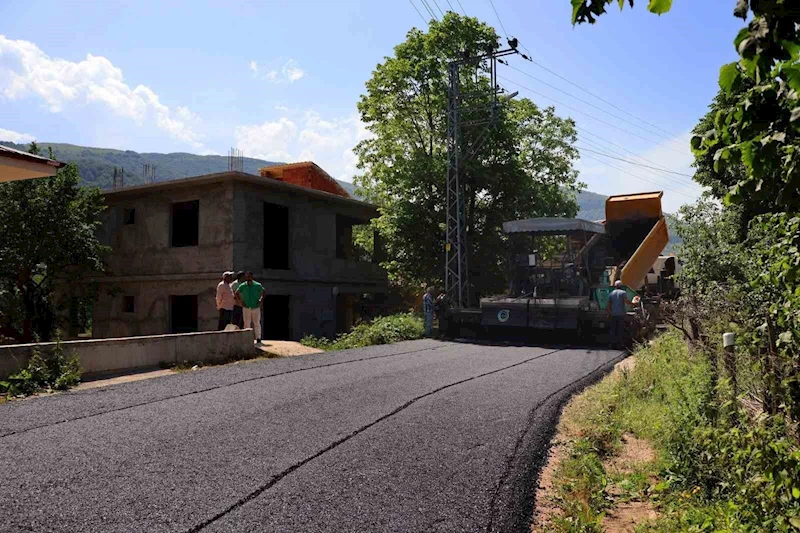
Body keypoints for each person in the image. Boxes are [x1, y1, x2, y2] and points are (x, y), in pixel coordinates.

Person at [235, 271, 265, 343]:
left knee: (257, 323)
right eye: (247, 276)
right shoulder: (243, 285)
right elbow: (236, 293)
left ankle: (258, 338)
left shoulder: (257, 285)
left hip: (255, 306)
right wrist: (241, 302)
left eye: (249, 276)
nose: (248, 278)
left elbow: (263, 292)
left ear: (252, 277)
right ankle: (247, 338)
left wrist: (260, 300)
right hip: (246, 306)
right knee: (247, 323)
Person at [606, 280, 633, 349]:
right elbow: (625, 301)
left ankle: (612, 344)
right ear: (621, 286)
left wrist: (608, 313)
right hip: (621, 314)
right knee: (620, 329)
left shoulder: (611, 293)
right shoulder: (623, 293)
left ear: (615, 286)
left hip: (613, 314)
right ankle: (620, 344)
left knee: (613, 329)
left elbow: (608, 304)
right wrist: (633, 304)